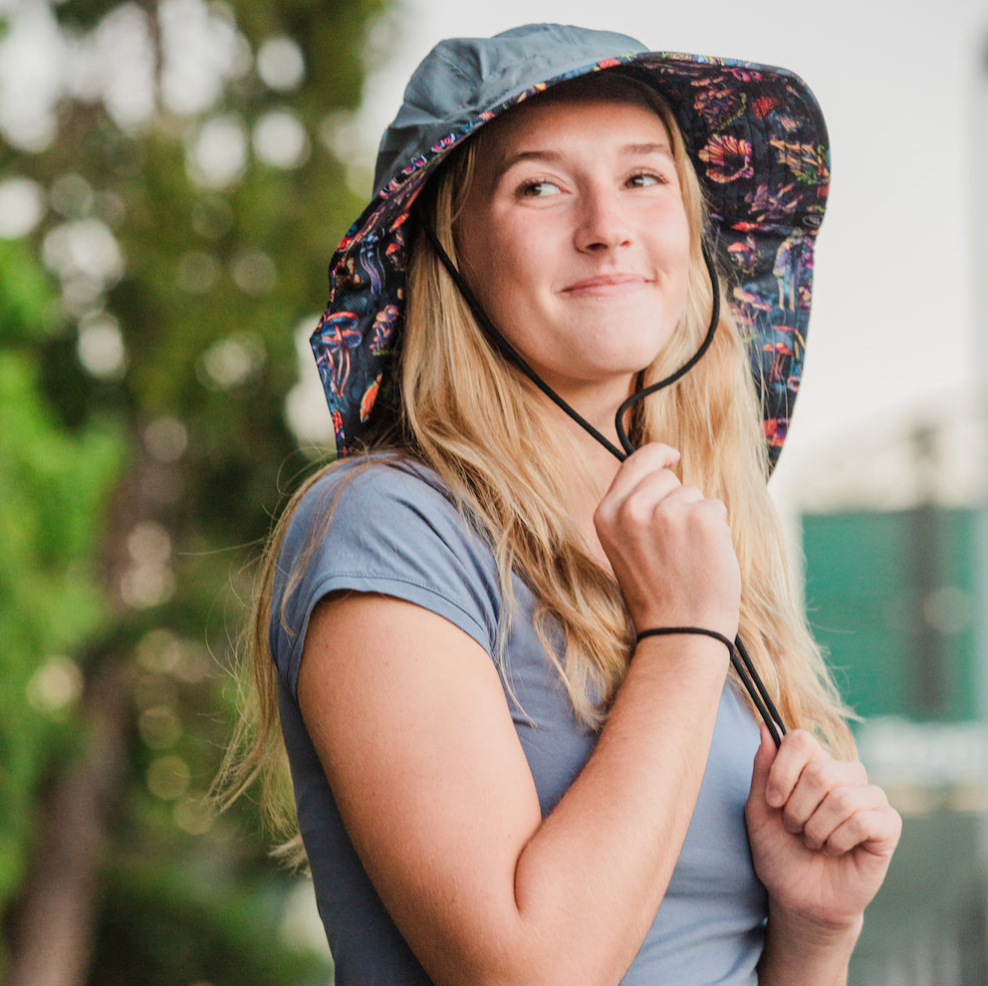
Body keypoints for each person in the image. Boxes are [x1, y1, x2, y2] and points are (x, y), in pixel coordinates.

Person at [221, 23, 901, 986]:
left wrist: (813, 932)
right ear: (446, 248)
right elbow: (532, 971)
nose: (606, 225)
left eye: (643, 178)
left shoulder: (695, 540)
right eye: (539, 185)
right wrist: (680, 639)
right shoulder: (389, 528)